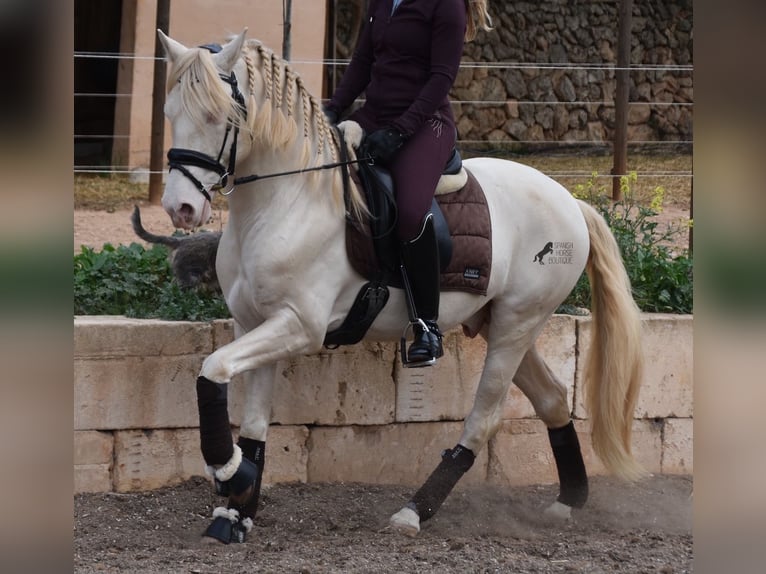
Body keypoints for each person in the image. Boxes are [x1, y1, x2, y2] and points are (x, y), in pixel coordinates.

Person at [324, 0, 493, 365]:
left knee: (411, 211)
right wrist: (334, 107)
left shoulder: (446, 6)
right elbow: (363, 61)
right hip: (375, 114)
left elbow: (441, 78)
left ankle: (427, 327)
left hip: (425, 124)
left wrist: (400, 132)